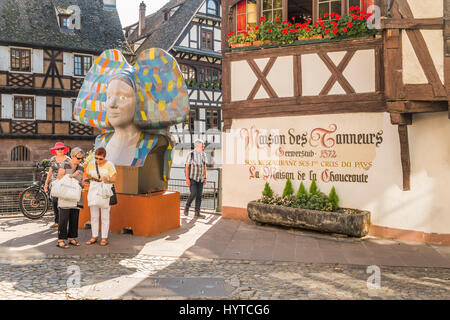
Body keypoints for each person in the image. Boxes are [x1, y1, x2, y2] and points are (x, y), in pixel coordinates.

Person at [85, 147, 117, 246]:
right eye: (96, 158)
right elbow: (87, 176)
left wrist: (106, 179)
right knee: (94, 216)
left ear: (104, 157)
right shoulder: (91, 164)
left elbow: (114, 179)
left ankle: (104, 237)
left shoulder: (109, 165)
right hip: (94, 191)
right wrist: (87, 180)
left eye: (100, 159)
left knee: (105, 216)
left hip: (104, 192)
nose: (98, 160)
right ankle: (94, 236)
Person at [55, 147, 86, 249]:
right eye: (78, 158)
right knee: (63, 218)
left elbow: (82, 182)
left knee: (74, 217)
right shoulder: (65, 164)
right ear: (72, 156)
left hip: (76, 195)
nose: (80, 160)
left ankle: (72, 238)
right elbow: (60, 178)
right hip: (65, 194)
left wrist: (86, 182)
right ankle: (61, 240)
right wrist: (72, 175)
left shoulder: (81, 168)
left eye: (81, 158)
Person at [44, 142, 71, 228]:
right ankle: (57, 222)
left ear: (64, 150)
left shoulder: (68, 160)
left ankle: (64, 222)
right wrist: (46, 184)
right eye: (58, 149)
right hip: (54, 184)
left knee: (64, 203)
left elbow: (71, 173)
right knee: (54, 203)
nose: (59, 150)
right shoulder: (52, 159)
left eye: (61, 149)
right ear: (55, 150)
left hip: (64, 184)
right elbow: (50, 172)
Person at [184, 139, 207, 218]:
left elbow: (204, 166)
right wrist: (187, 179)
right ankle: (187, 206)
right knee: (193, 193)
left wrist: (205, 177)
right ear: (197, 146)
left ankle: (197, 213)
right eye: (202, 145)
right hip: (192, 178)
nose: (203, 147)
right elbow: (186, 167)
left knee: (199, 196)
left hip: (200, 178)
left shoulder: (203, 154)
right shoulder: (190, 154)